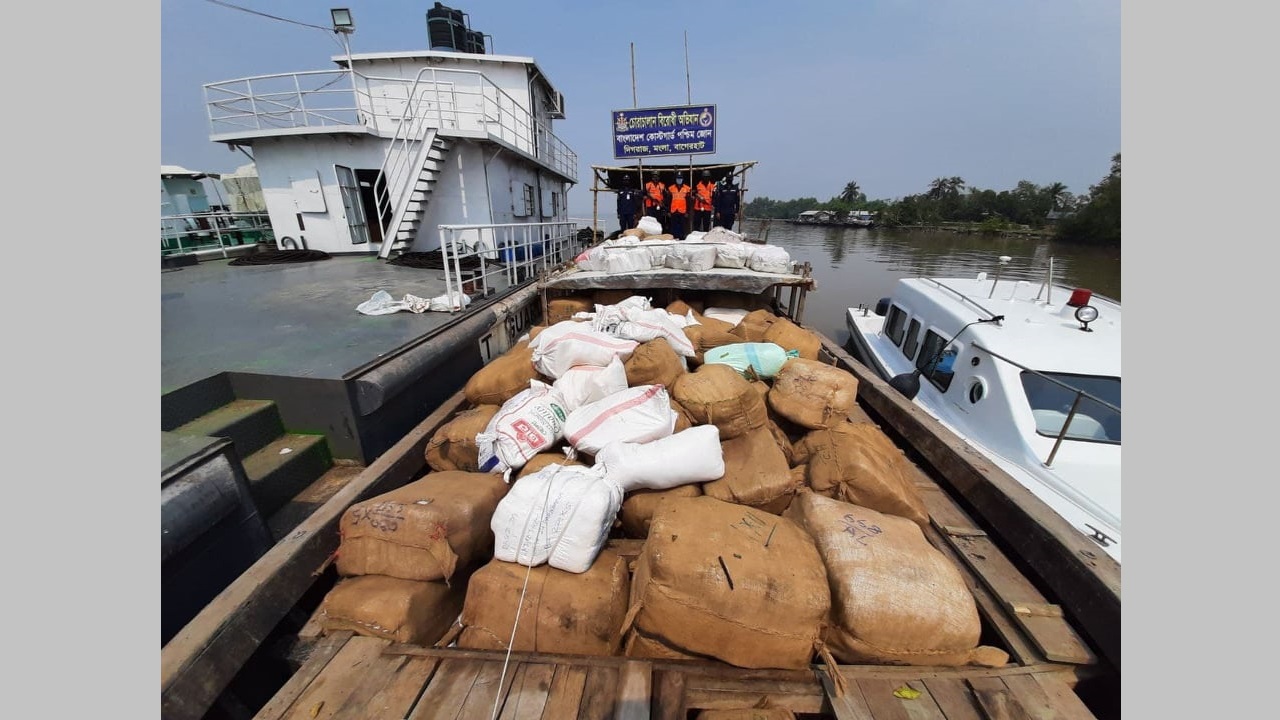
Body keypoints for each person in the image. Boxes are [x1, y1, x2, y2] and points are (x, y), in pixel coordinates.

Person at [666, 174, 692, 240]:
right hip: (674, 210)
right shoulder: (671, 188)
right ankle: (674, 237)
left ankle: (682, 238)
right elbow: (668, 201)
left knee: (682, 226)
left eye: (680, 178)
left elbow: (689, 202)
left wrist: (687, 212)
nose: (679, 180)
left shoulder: (687, 188)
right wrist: (668, 211)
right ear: (675, 179)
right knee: (673, 226)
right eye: (678, 178)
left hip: (683, 211)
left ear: (683, 179)